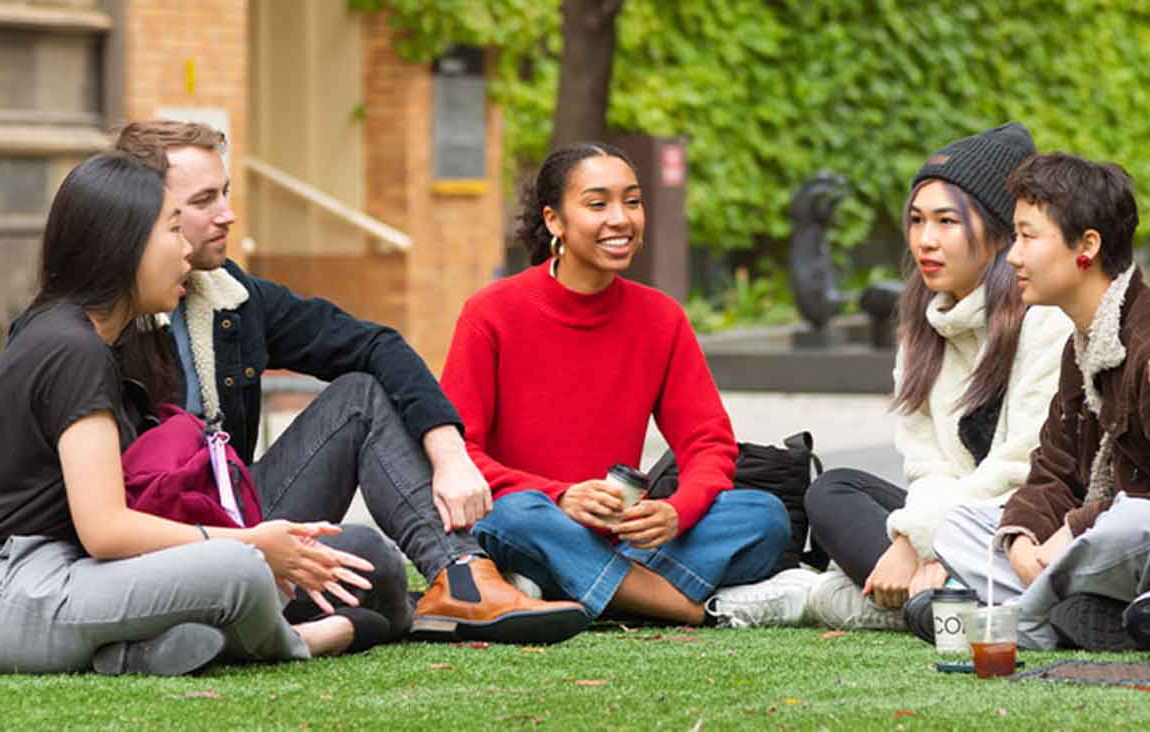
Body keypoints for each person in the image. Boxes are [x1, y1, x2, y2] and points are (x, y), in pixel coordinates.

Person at [114, 121, 588, 644]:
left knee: (362, 454)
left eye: (225, 192)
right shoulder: (95, 324)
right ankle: (320, 620)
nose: (227, 213)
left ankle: (462, 578)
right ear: (143, 213)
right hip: (149, 555)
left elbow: (375, 345)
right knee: (366, 560)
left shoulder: (229, 297)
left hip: (244, 521)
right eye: (204, 200)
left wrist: (450, 453)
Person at [0, 152, 386, 675]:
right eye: (173, 230)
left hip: (50, 576)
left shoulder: (81, 337)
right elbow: (105, 529)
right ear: (124, 247)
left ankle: (137, 653)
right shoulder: (72, 349)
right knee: (240, 568)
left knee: (316, 556)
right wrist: (252, 543)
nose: (186, 250)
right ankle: (297, 640)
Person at [439, 142, 791, 628]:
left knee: (764, 515)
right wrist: (561, 496)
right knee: (514, 516)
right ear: (555, 220)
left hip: (622, 536)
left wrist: (677, 510)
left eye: (632, 201)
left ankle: (573, 589)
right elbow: (460, 454)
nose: (621, 218)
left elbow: (708, 443)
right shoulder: (490, 313)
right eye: (597, 203)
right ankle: (675, 603)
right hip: (533, 522)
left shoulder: (661, 318)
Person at [781, 123, 1072, 632]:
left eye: (946, 222)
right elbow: (925, 465)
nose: (926, 241)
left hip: (1021, 521)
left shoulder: (1046, 320)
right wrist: (919, 542)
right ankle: (943, 597)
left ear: (1000, 232)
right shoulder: (920, 328)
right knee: (831, 491)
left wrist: (920, 540)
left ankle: (887, 602)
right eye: (917, 221)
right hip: (948, 521)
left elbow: (1020, 469)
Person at [934, 152, 1150, 651]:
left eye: (1029, 237)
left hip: (1131, 537)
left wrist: (1075, 529)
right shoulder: (1078, 347)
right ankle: (1090, 611)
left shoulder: (1143, 343)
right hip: (1099, 558)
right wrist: (1023, 537)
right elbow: (1050, 471)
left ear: (1087, 247)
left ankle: (1022, 618)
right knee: (960, 526)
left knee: (1131, 524)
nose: (1012, 256)